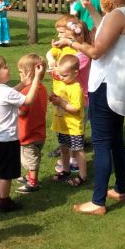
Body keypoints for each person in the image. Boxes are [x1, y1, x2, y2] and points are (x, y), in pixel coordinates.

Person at [72, 0, 125, 215]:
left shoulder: (119, 14)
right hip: (122, 86)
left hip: (106, 84)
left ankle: (98, 201)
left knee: (103, 142)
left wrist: (72, 43)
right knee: (116, 140)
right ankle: (120, 189)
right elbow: (107, 33)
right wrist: (94, 12)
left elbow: (96, 51)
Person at [0, 53, 44, 212]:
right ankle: (4, 201)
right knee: (6, 174)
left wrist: (22, 83)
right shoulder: (6, 92)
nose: (9, 69)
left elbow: (11, 94)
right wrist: (35, 80)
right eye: (5, 67)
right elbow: (27, 100)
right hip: (7, 140)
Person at [50, 54, 86, 187]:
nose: (61, 78)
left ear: (75, 73)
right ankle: (66, 170)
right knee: (64, 148)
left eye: (64, 75)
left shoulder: (76, 88)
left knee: (78, 151)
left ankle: (82, 176)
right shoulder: (63, 84)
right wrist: (55, 100)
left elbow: (75, 108)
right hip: (61, 125)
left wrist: (61, 103)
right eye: (60, 75)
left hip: (73, 127)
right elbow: (60, 100)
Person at [15, 52, 48, 195]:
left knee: (31, 159)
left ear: (29, 73)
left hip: (28, 133)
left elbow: (22, 111)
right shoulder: (42, 88)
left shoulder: (26, 91)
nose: (20, 75)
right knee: (33, 156)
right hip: (39, 131)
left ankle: (33, 182)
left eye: (21, 72)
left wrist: (11, 111)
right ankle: (30, 177)